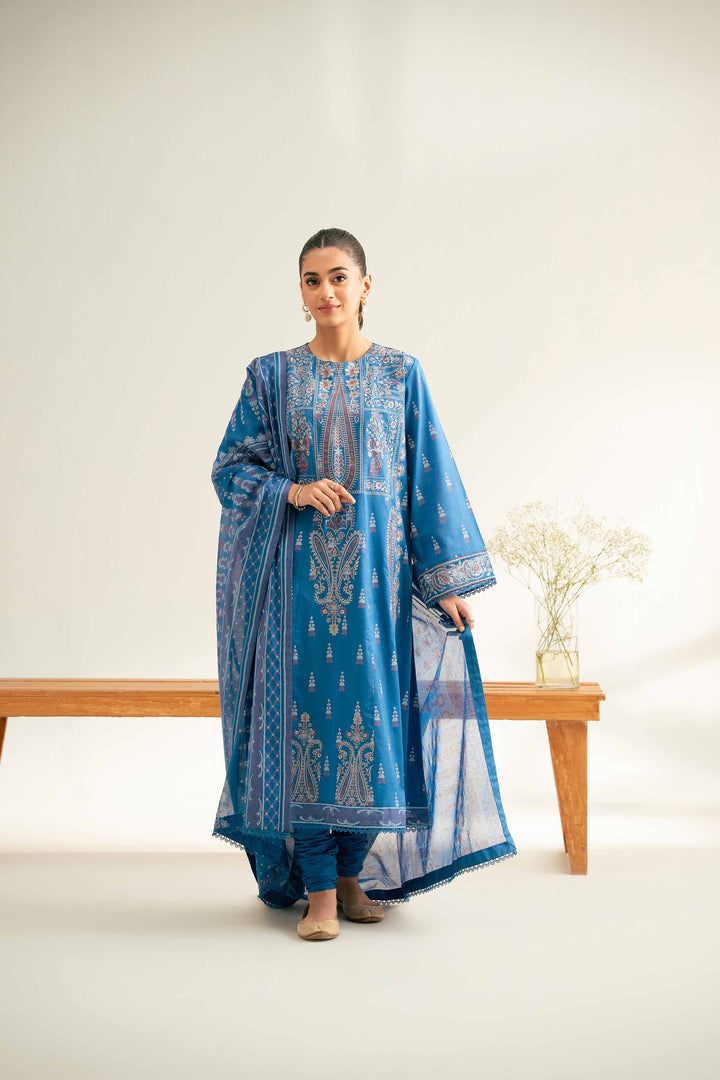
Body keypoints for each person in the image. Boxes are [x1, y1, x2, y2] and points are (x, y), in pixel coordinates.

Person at [211, 227, 516, 942]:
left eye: (339, 277)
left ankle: (351, 876)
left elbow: (428, 477)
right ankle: (319, 893)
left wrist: (442, 581)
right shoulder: (270, 376)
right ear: (301, 290)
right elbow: (231, 468)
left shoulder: (401, 374)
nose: (327, 292)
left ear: (365, 285)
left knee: (374, 732)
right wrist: (291, 490)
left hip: (378, 593)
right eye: (313, 280)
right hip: (294, 594)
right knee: (309, 732)